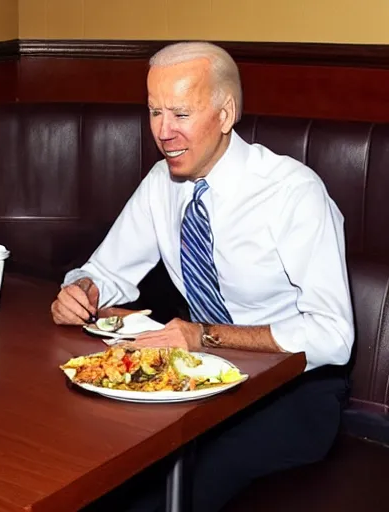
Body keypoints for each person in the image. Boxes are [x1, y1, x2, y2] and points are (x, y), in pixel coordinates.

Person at [52, 42, 354, 512]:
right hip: (197, 378)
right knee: (83, 458)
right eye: (154, 112)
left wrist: (204, 335)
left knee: (166, 489)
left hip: (291, 393)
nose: (163, 132)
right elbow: (105, 270)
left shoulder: (293, 193)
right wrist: (82, 290)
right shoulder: (161, 183)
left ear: (226, 112)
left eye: (180, 113)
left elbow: (334, 336)